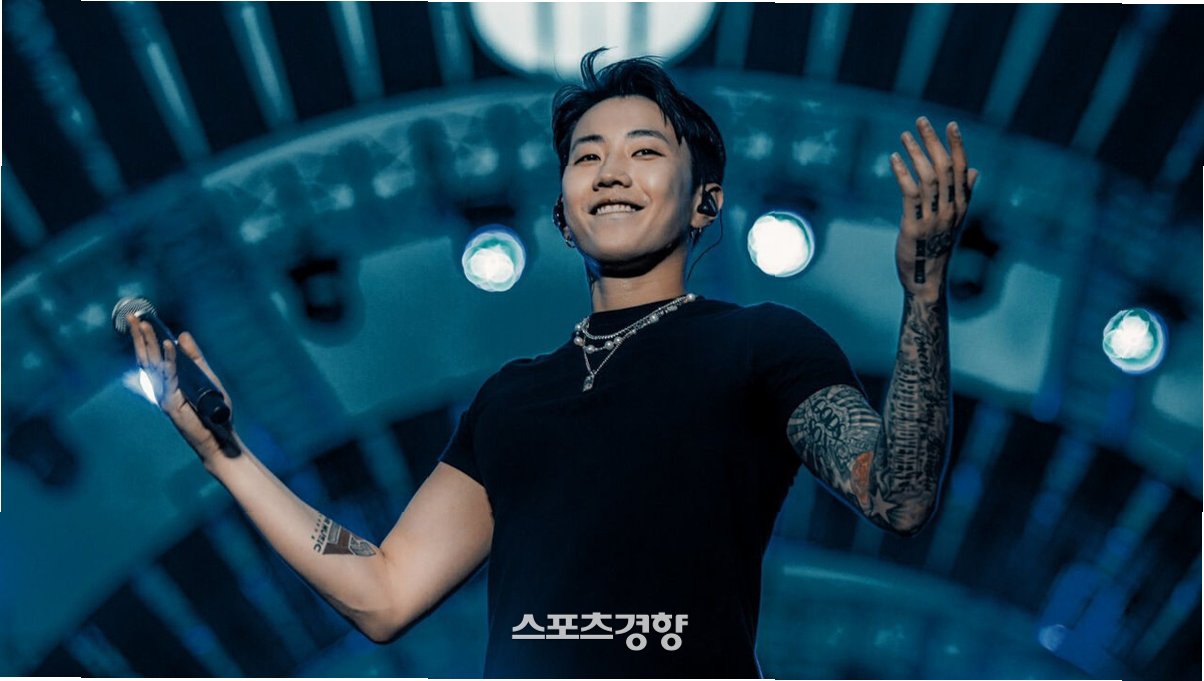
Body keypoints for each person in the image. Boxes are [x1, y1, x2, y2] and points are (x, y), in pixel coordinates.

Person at [127, 49, 978, 678]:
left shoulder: (761, 344)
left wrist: (925, 294)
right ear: (564, 215)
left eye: (646, 151)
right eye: (587, 155)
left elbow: (897, 495)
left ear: (705, 202)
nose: (611, 172)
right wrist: (225, 455)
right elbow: (384, 592)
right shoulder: (512, 398)